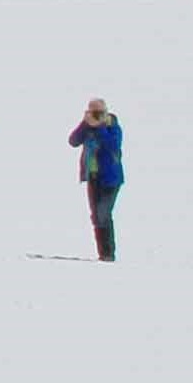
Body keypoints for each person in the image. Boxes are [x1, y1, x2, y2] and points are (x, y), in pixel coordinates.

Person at [69, 98, 125, 261]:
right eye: (93, 111)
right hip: (93, 177)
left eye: (100, 112)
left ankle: (109, 254)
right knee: (96, 216)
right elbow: (73, 141)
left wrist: (99, 126)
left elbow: (112, 146)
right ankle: (103, 254)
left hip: (110, 179)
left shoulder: (112, 126)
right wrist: (84, 124)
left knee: (104, 214)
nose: (97, 115)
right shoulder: (88, 127)